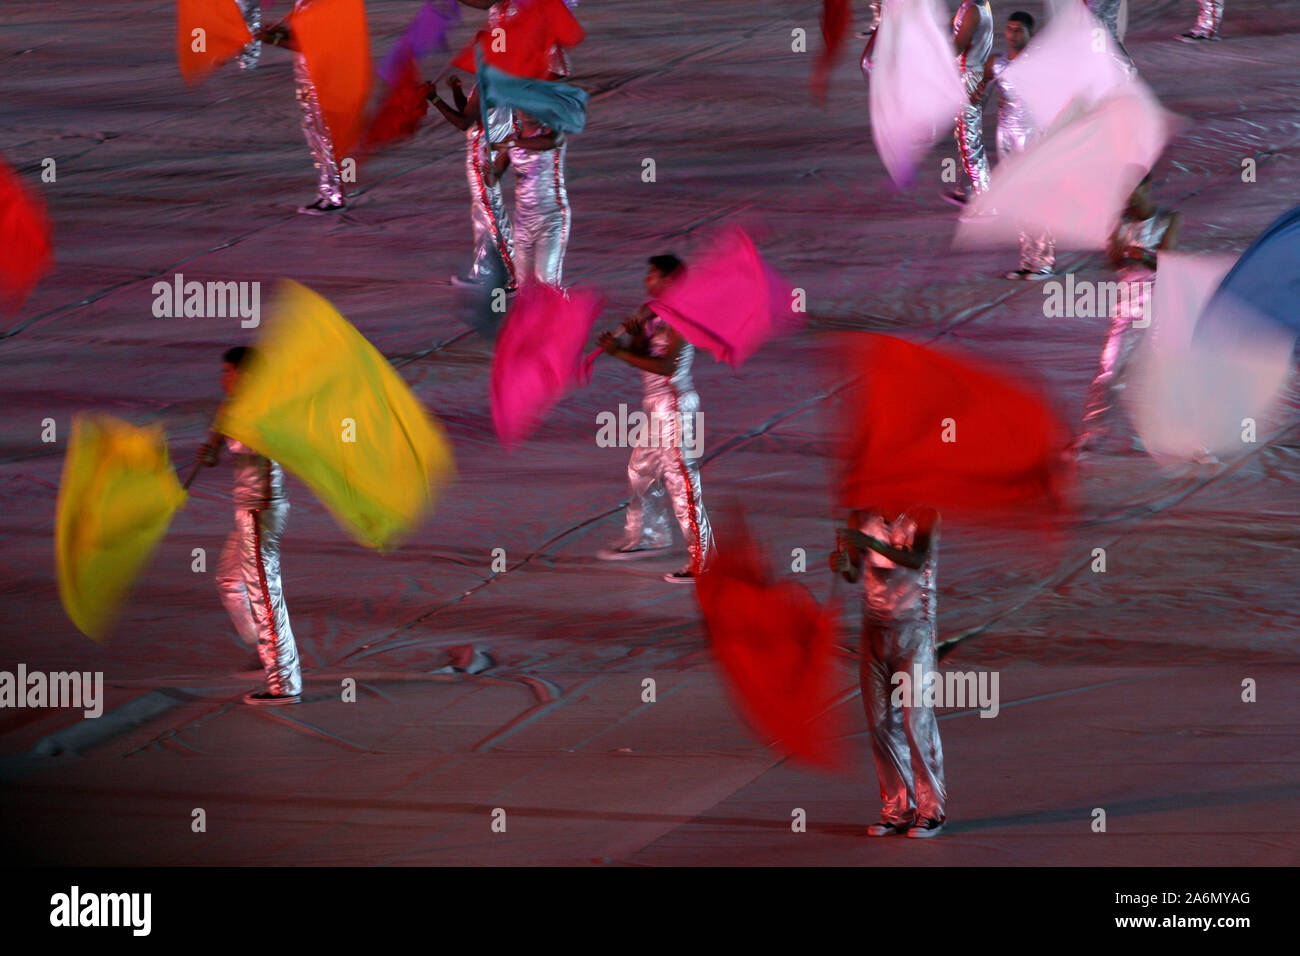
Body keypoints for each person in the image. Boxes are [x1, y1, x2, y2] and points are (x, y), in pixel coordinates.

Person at [596, 255, 714, 584]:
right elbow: (645, 354)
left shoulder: (681, 317)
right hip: (656, 407)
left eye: (652, 274)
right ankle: (650, 535)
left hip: (676, 409)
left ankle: (704, 560)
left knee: (682, 484)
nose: (647, 279)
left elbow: (667, 368)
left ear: (669, 282)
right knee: (641, 470)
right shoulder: (653, 311)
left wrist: (620, 351)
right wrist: (633, 338)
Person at [196, 347, 303, 705]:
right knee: (229, 580)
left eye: (229, 371)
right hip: (245, 508)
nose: (223, 378)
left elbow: (277, 446)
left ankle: (284, 682)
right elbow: (213, 452)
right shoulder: (231, 407)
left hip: (263, 508)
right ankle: (268, 653)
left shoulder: (266, 407)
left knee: (264, 595)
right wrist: (209, 449)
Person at [830, 506, 946, 838]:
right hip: (874, 632)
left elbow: (915, 559)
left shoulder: (925, 512)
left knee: (915, 720)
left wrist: (868, 543)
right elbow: (852, 573)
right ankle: (897, 810)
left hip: (915, 632)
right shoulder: (859, 516)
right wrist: (842, 563)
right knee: (880, 723)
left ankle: (932, 810)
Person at [1075, 175, 1182, 453]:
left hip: (1159, 310)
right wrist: (1117, 247)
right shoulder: (1120, 222)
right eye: (1125, 192)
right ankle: (1093, 431)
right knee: (1109, 371)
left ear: (1147, 188)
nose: (1130, 198)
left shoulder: (1168, 219)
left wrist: (1141, 255)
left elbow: (1166, 259)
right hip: (1126, 312)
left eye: (1135, 191)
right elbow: (1113, 261)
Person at [980, 11, 1055, 280]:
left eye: (1018, 30)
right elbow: (977, 93)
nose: (1012, 34)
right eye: (1009, 29)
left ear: (1030, 34)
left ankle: (1044, 260)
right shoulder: (997, 63)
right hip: (1005, 135)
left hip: (1033, 133)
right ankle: (1027, 259)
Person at [427, 78, 518, 289]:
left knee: (490, 213)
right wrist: (457, 91)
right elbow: (473, 113)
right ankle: (484, 272)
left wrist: (435, 98)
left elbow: (463, 122)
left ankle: (514, 273)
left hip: (484, 157)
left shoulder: (489, 83)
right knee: (482, 215)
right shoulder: (504, 79)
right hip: (492, 153)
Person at [260, 11, 347, 215]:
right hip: (307, 78)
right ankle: (326, 192)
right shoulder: (304, 5)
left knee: (326, 137)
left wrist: (275, 39)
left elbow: (314, 42)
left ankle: (335, 195)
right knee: (315, 136)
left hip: (322, 77)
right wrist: (277, 33)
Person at [494, 112, 571, 287]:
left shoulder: (554, 132)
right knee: (525, 285)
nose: (527, 112)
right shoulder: (511, 139)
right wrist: (487, 167)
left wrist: (510, 145)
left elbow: (550, 143)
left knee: (546, 281)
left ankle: (560, 314)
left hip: (552, 217)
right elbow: (494, 175)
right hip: (523, 222)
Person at [944, 0, 994, 207]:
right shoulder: (970, 5)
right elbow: (953, 25)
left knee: (970, 142)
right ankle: (966, 189)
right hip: (968, 77)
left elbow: (956, 48)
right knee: (964, 136)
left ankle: (986, 201)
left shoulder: (974, 10)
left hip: (970, 79)